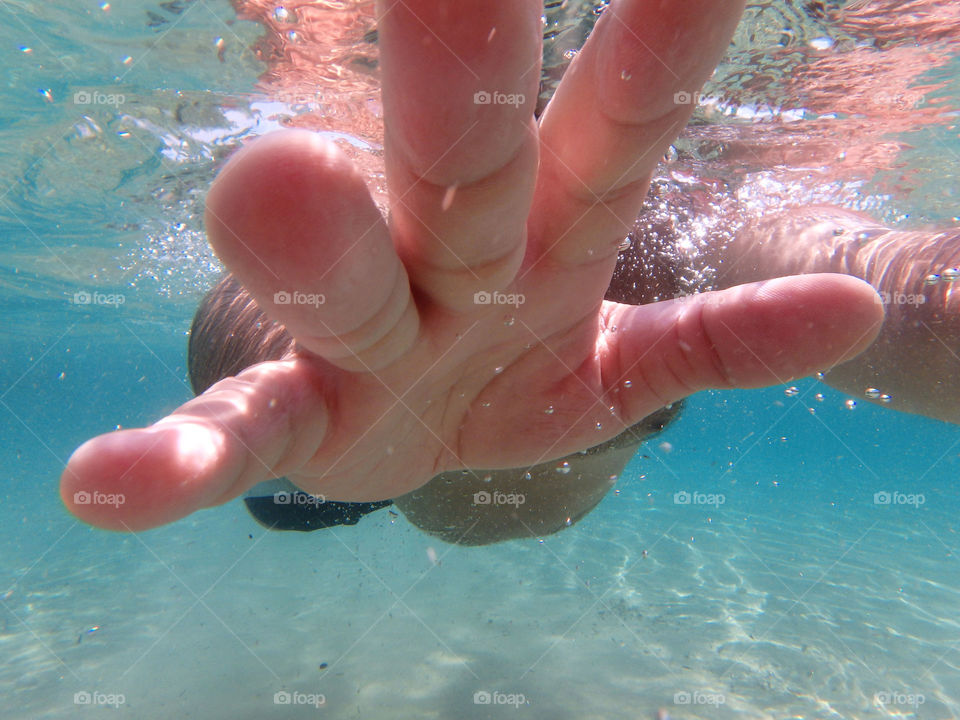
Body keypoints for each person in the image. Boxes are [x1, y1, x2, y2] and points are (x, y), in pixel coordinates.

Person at [62, 0, 903, 536]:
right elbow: (251, 300)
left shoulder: (688, 227)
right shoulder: (668, 243)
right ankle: (318, 482)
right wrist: (314, 371)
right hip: (416, 453)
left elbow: (915, 293)